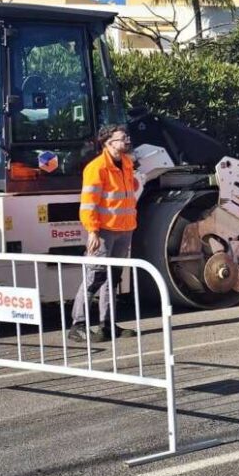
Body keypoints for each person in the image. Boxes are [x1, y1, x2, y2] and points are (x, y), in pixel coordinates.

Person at [69, 124, 137, 343]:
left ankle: (107, 325)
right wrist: (93, 231)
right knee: (95, 276)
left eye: (126, 137)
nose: (126, 140)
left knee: (113, 278)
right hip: (104, 231)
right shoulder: (96, 168)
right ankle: (78, 325)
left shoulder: (126, 163)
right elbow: (88, 204)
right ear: (108, 143)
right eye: (121, 138)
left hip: (125, 228)